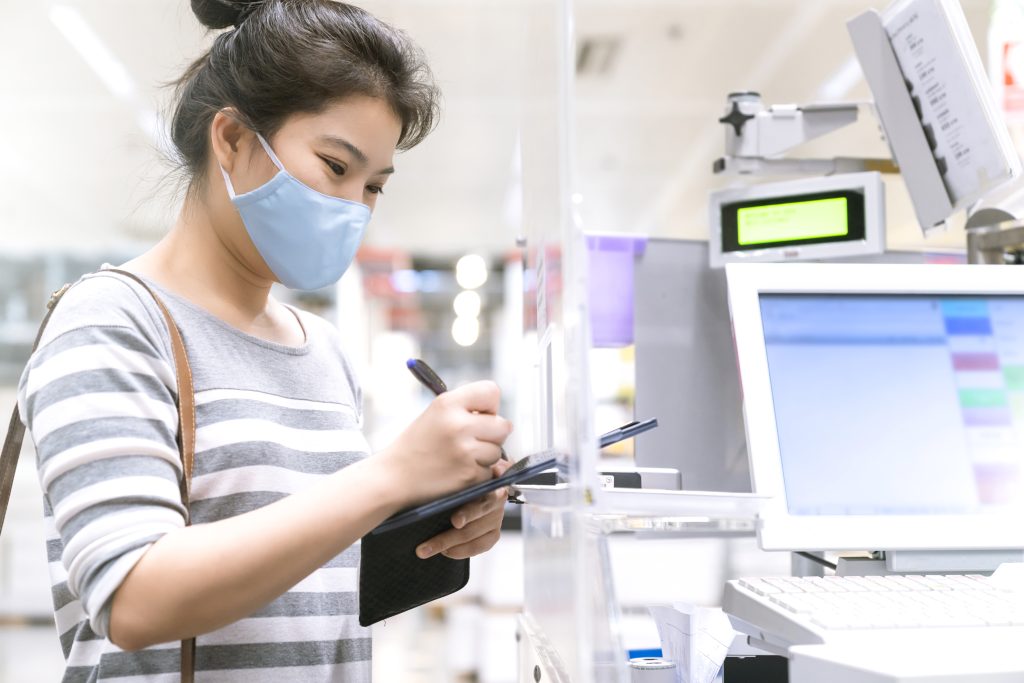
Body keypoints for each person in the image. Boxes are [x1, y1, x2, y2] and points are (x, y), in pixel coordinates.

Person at [16, 0, 513, 680]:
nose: (353, 208)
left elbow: (304, 565)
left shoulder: (325, 350)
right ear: (232, 140)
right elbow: (135, 596)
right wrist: (389, 475)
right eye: (336, 167)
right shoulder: (111, 320)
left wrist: (430, 518)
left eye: (373, 186)